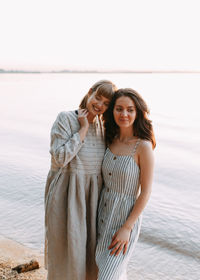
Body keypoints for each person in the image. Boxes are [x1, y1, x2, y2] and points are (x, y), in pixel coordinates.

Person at [44, 80, 117, 280]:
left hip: (93, 199)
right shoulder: (66, 118)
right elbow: (59, 158)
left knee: (89, 255)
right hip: (66, 194)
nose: (100, 105)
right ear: (90, 92)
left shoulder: (105, 127)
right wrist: (82, 130)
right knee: (66, 253)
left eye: (106, 103)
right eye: (98, 98)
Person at [95, 88, 156, 280]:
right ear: (112, 111)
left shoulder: (143, 147)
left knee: (107, 275)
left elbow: (145, 192)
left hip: (124, 222)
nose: (124, 114)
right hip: (102, 217)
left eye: (130, 109)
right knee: (108, 272)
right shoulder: (108, 139)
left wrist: (126, 228)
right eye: (119, 109)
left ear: (137, 113)